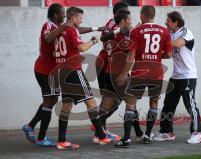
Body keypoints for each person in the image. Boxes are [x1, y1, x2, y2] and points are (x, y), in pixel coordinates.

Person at [22, 3, 109, 147]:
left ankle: (51, 137)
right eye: (62, 13)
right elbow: (50, 38)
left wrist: (96, 28)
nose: (64, 16)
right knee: (84, 101)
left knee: (58, 102)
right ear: (56, 15)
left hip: (59, 70)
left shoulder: (64, 28)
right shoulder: (50, 25)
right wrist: (93, 40)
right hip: (47, 70)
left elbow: (74, 30)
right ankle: (100, 135)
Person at [54, 7, 113, 150]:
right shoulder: (72, 30)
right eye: (80, 18)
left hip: (62, 71)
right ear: (73, 18)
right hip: (74, 71)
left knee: (67, 104)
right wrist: (93, 41)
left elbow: (67, 49)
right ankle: (101, 136)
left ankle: (62, 140)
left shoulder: (58, 30)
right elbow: (81, 47)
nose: (81, 21)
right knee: (91, 101)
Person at [115, 5, 172, 148]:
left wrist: (123, 74)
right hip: (157, 73)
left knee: (130, 102)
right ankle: (147, 135)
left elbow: (131, 54)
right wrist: (156, 56)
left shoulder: (137, 31)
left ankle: (127, 139)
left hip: (140, 72)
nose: (139, 17)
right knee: (154, 103)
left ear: (144, 15)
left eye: (140, 15)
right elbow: (169, 54)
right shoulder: (165, 31)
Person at [153, 11, 201, 144]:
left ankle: (198, 133)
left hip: (188, 76)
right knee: (168, 105)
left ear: (176, 22)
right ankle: (166, 132)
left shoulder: (185, 32)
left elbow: (177, 44)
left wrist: (161, 38)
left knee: (190, 105)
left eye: (168, 21)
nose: (166, 23)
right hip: (176, 76)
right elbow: (168, 54)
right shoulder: (170, 35)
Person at [94, 1, 143, 142]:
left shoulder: (111, 25)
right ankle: (136, 133)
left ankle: (100, 131)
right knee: (128, 100)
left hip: (106, 67)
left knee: (110, 101)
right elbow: (130, 51)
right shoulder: (122, 32)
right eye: (128, 16)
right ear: (121, 16)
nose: (130, 19)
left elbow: (103, 38)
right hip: (113, 69)